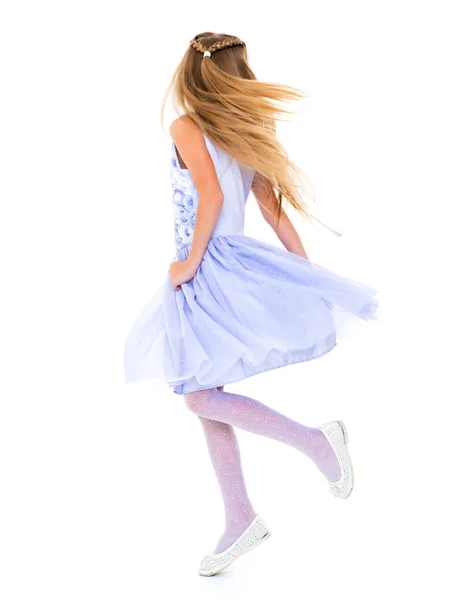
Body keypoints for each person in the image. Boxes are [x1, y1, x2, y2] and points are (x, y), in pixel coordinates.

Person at [123, 32, 379, 577]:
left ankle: (315, 442)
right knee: (203, 391)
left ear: (190, 72)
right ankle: (239, 516)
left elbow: (213, 197)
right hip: (231, 262)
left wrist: (188, 266)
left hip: (209, 267)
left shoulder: (186, 125)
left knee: (197, 396)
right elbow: (271, 208)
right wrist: (303, 268)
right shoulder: (246, 126)